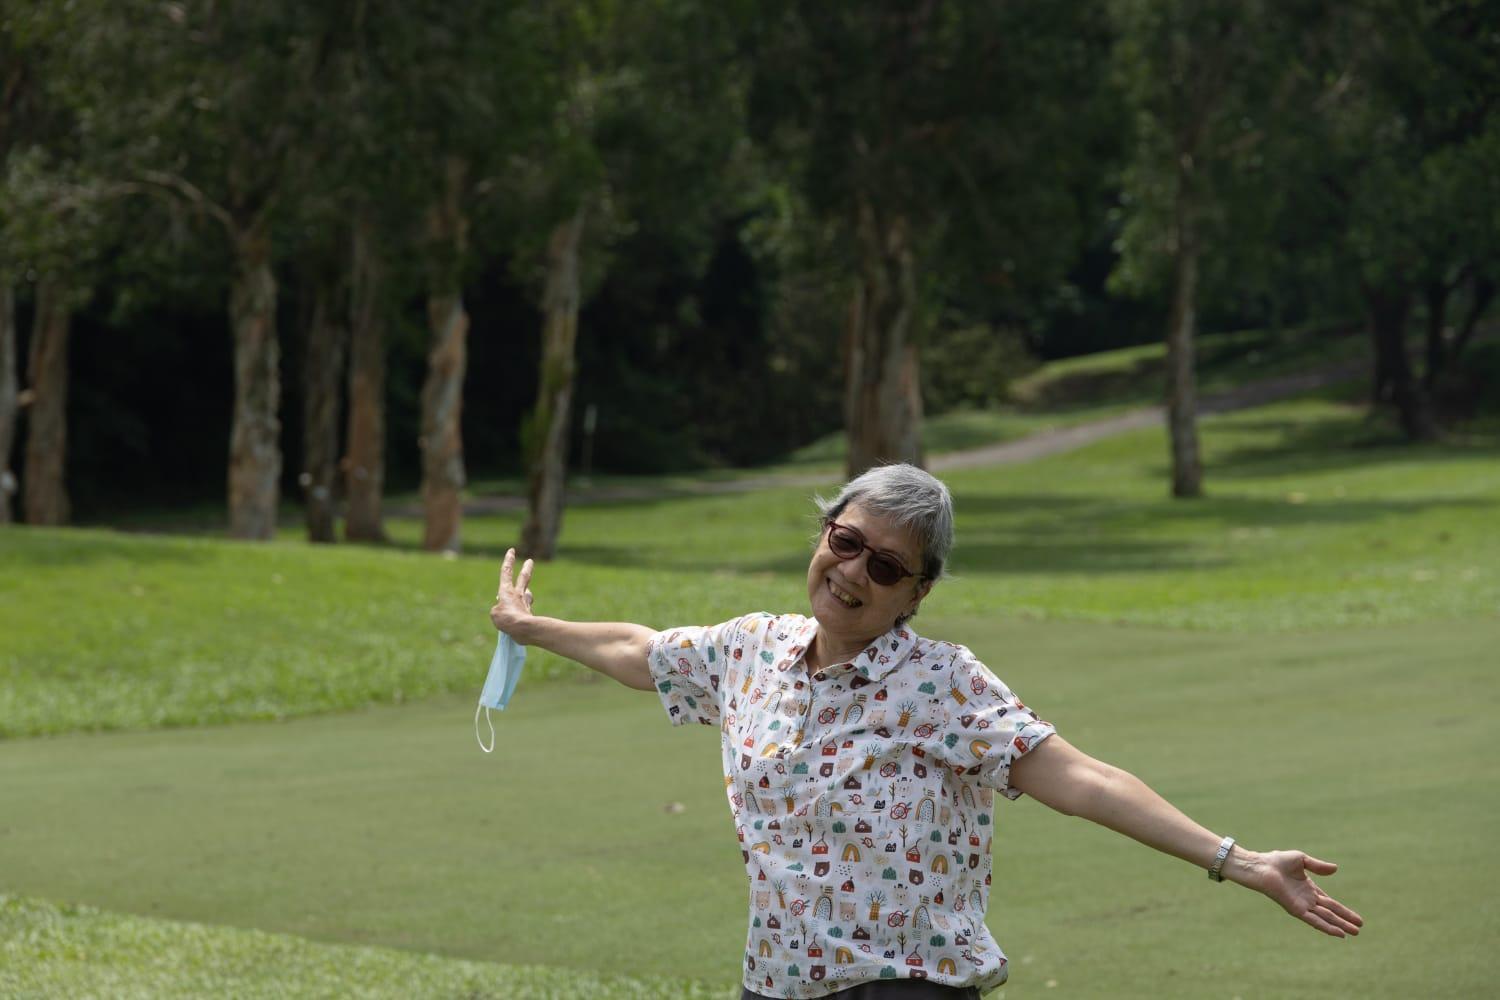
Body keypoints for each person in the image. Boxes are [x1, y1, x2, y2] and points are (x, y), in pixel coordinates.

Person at [488, 464, 1362, 999]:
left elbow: (1082, 779)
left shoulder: (940, 683)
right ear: (824, 534)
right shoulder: (751, 648)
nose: (853, 571)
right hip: (778, 983)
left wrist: (1238, 861)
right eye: (846, 540)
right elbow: (645, 653)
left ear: (916, 593)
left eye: (887, 566)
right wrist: (534, 630)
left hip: (907, 990)